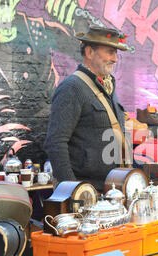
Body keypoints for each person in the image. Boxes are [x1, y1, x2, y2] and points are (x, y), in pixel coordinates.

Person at [44, 25, 131, 191]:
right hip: (87, 192)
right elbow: (55, 143)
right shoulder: (72, 88)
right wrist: (73, 191)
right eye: (110, 52)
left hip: (113, 189)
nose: (115, 59)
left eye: (116, 53)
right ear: (90, 53)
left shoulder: (107, 86)